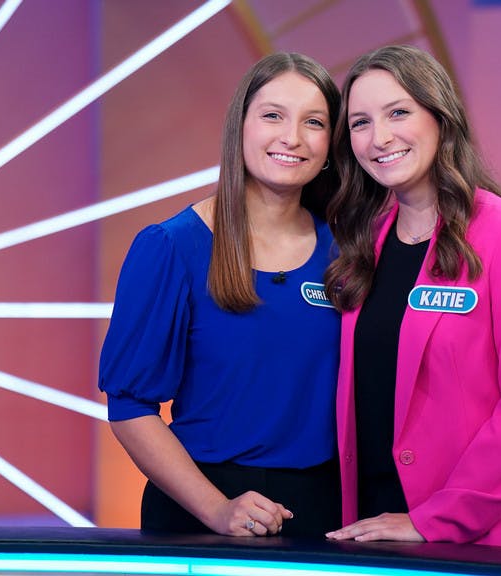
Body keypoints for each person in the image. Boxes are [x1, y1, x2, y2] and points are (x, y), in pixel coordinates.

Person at [322, 45, 501, 549]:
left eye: (398, 112)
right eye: (359, 122)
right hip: (377, 533)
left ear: (441, 118)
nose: (380, 137)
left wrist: (435, 518)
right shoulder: (362, 244)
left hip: (492, 539)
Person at [98, 53, 341, 538]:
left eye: (313, 122)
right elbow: (128, 407)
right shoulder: (171, 246)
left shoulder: (349, 248)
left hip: (324, 512)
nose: (291, 137)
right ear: (241, 128)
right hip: (201, 510)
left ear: (331, 144)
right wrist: (216, 509)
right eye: (273, 115)